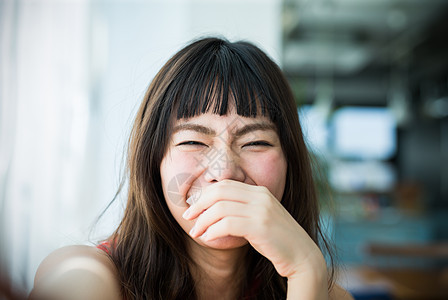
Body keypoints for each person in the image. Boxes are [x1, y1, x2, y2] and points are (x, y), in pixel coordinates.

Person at [30, 37, 353, 300]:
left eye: (255, 142)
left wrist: (306, 269)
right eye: (193, 143)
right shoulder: (91, 275)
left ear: (290, 163)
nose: (224, 172)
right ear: (152, 161)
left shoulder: (315, 290)